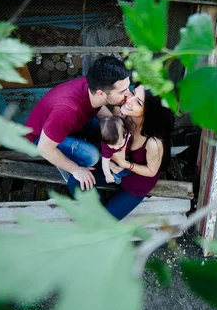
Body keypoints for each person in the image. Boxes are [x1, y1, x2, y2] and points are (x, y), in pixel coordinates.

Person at [67, 85, 173, 220]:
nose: (129, 100)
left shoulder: (154, 142)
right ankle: (98, 207)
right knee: (75, 181)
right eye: (133, 93)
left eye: (138, 102)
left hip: (135, 185)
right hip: (114, 170)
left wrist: (125, 163)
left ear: (149, 112)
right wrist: (110, 164)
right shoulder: (124, 116)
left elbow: (151, 171)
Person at [25, 56, 132, 189]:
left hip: (65, 124)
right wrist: (76, 170)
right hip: (40, 139)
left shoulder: (92, 88)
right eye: (122, 91)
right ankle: (67, 164)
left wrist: (115, 124)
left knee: (107, 129)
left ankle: (79, 144)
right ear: (101, 93)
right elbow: (44, 148)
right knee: (91, 156)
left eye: (127, 88)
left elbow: (100, 108)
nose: (128, 94)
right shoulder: (67, 111)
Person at [99, 116, 132, 185]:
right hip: (112, 158)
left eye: (119, 144)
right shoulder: (106, 147)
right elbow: (104, 163)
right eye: (111, 145)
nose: (115, 147)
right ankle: (115, 175)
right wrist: (108, 176)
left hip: (125, 155)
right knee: (119, 171)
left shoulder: (127, 133)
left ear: (125, 134)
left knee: (129, 170)